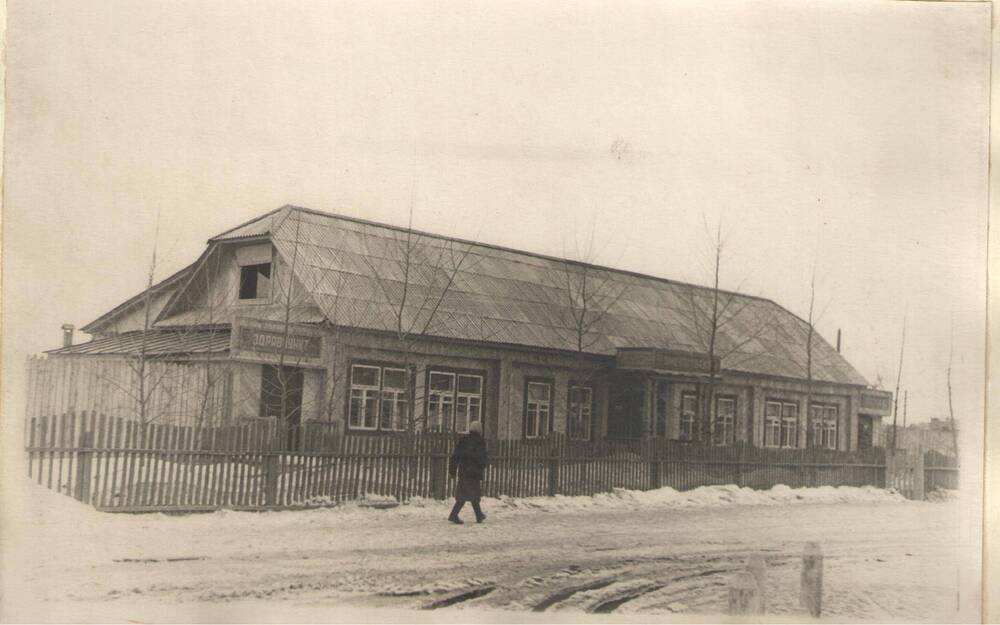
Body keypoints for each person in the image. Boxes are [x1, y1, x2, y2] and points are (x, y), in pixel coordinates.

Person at [448, 420, 488, 524]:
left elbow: (456, 456)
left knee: (464, 494)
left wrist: (452, 470)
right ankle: (455, 515)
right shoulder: (480, 441)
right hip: (474, 473)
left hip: (463, 471)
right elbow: (482, 458)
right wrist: (482, 465)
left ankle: (478, 515)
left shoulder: (464, 440)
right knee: (472, 494)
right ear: (480, 430)